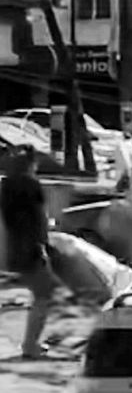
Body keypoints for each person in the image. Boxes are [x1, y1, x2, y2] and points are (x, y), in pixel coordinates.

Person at [1, 145, 56, 359]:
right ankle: (30, 345)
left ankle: (31, 343)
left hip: (13, 244)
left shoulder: (6, 185)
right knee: (44, 293)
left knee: (40, 292)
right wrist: (45, 243)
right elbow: (41, 218)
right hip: (31, 246)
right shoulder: (32, 185)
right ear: (31, 165)